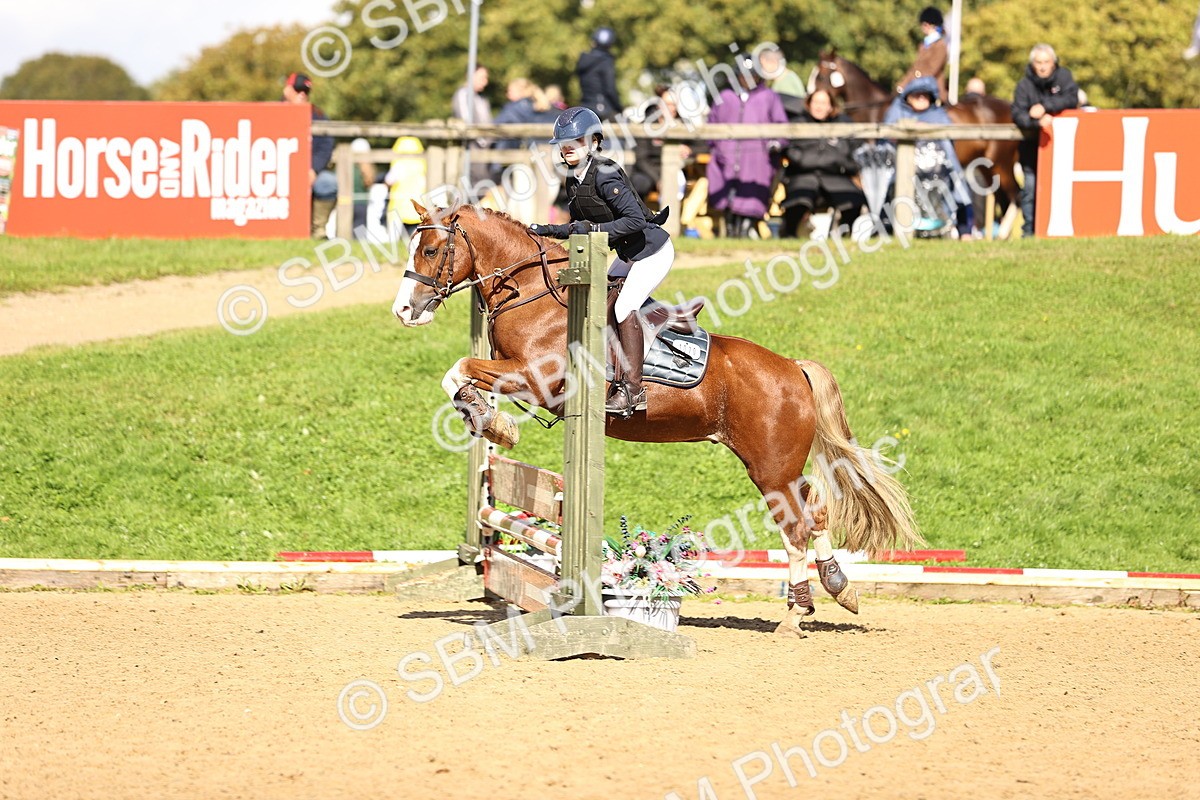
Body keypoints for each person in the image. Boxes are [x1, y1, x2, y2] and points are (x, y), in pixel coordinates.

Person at [528, 107, 672, 416]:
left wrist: (593, 230)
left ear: (593, 142)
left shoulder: (605, 174)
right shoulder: (573, 179)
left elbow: (633, 220)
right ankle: (650, 325)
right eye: (563, 143)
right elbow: (578, 224)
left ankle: (634, 391)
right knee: (602, 300)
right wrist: (546, 230)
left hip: (652, 252)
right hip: (627, 254)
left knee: (622, 307)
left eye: (576, 141)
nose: (567, 148)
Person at [706, 55, 788, 238]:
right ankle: (730, 228)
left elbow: (781, 125)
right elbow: (711, 125)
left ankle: (746, 228)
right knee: (725, 191)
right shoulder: (724, 97)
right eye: (743, 75)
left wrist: (776, 142)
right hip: (726, 156)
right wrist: (717, 147)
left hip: (756, 157)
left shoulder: (768, 97)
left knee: (752, 191)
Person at [884, 76, 973, 237]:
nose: (921, 98)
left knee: (959, 186)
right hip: (902, 171)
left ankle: (964, 231)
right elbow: (885, 141)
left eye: (925, 95)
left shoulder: (939, 116)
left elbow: (948, 146)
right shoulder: (897, 112)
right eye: (917, 95)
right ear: (908, 97)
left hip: (938, 173)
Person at [1011, 44, 1079, 237]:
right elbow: (1017, 114)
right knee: (1030, 189)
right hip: (1031, 149)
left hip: (1063, 149)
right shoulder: (1024, 86)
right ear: (1032, 65)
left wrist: (1045, 107)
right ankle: (1029, 232)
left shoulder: (1064, 78)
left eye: (1046, 62)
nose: (1042, 67)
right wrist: (1036, 122)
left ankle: (1060, 231)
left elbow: (1071, 99)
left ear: (1053, 63)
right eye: (1038, 63)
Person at [780, 90, 865, 238]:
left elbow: (855, 156)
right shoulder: (797, 124)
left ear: (831, 106)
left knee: (853, 200)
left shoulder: (843, 124)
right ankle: (789, 236)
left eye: (823, 103)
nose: (819, 107)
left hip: (835, 176)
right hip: (803, 175)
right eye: (816, 102)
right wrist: (807, 160)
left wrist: (839, 162)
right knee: (797, 202)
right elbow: (789, 150)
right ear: (809, 104)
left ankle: (843, 238)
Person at [282, 72, 335, 239]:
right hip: (278, 171)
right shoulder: (274, 111)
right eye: (298, 90)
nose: (302, 94)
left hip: (310, 171)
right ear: (287, 90)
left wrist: (313, 169)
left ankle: (318, 231)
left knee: (328, 182)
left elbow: (326, 146)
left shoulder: (318, 115)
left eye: (306, 91)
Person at [451, 66, 493, 186]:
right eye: (482, 77)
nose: (485, 82)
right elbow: (466, 121)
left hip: (484, 149)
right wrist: (483, 140)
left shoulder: (482, 99)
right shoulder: (463, 94)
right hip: (472, 147)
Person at [896, 7, 949, 101]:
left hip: (933, 90)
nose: (922, 27)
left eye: (924, 24)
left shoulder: (940, 45)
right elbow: (915, 67)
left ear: (929, 25)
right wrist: (901, 85)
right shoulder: (923, 45)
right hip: (918, 86)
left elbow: (932, 70)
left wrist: (913, 78)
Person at [577, 27, 622, 120]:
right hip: (603, 110)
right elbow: (610, 89)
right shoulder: (605, 62)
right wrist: (619, 108)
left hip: (586, 107)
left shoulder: (583, 60)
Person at [758, 45, 806, 119]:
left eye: (762, 64)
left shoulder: (787, 81)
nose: (761, 68)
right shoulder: (782, 80)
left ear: (773, 62)